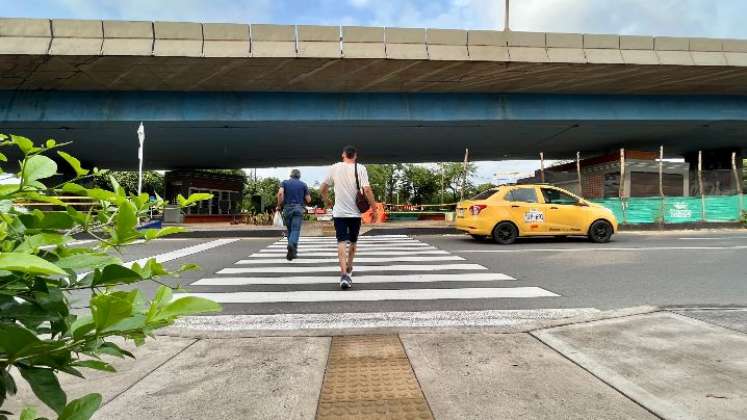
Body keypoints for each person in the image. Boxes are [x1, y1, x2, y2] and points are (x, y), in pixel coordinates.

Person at [320, 145, 377, 289]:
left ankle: (344, 274)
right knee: (353, 242)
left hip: (339, 213)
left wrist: (327, 200)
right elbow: (367, 190)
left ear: (343, 155)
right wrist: (374, 208)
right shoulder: (361, 168)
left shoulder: (334, 168)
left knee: (341, 241)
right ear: (355, 156)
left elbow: (323, 188)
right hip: (355, 214)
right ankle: (350, 267)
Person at [277, 169, 311, 261]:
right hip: (298, 209)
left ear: (291, 175)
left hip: (287, 209)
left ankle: (293, 252)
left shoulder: (284, 182)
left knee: (290, 230)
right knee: (295, 230)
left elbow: (280, 193)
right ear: (299, 176)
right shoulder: (303, 184)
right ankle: (291, 245)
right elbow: (308, 199)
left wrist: (279, 205)